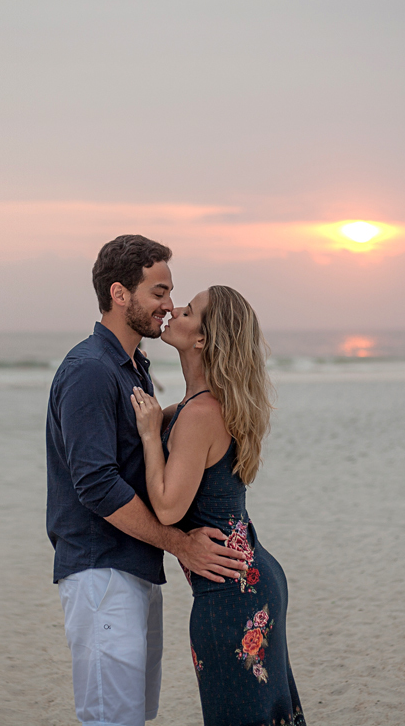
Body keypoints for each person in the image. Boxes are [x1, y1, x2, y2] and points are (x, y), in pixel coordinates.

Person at [47, 235, 249, 726]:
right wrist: (181, 545)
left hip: (135, 568)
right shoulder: (90, 371)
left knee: (134, 715)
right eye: (159, 292)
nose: (169, 305)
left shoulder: (133, 366)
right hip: (101, 573)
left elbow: (156, 435)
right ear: (120, 294)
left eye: (171, 293)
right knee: (112, 719)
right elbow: (96, 485)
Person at [130, 286, 307, 726]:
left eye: (188, 311)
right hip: (248, 578)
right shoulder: (198, 405)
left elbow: (168, 509)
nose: (174, 310)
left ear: (203, 339)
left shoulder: (201, 413)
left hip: (230, 593)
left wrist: (150, 437)